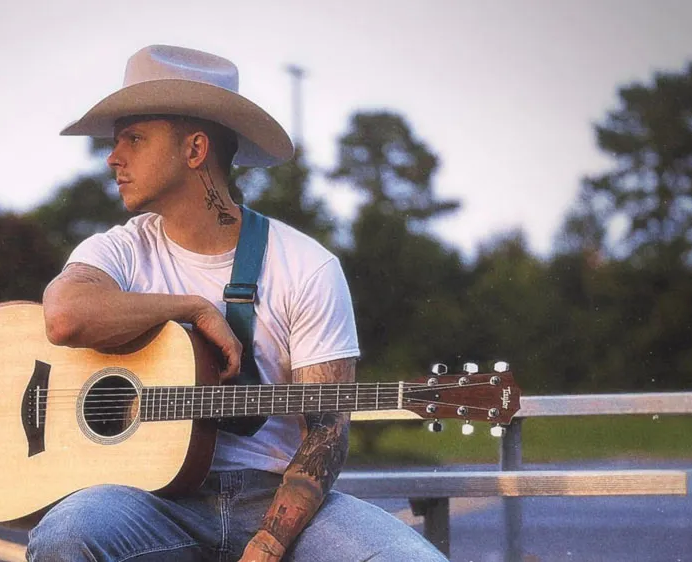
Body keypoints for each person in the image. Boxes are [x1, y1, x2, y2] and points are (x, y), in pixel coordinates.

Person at [30, 44, 446, 562]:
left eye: (134, 139)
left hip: (275, 495)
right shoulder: (118, 250)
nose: (114, 158)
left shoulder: (306, 265)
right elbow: (64, 316)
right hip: (150, 502)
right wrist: (192, 308)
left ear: (195, 150)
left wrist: (269, 542)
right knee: (66, 534)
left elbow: (326, 432)